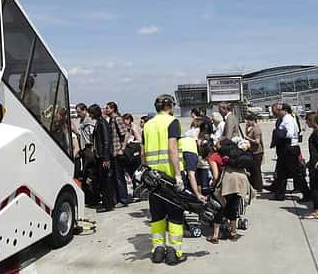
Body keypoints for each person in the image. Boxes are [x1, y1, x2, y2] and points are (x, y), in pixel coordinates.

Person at [142, 94, 195, 264]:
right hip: (169, 178)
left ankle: (158, 249)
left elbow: (143, 152)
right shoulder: (172, 122)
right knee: (175, 216)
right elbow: (172, 149)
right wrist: (179, 176)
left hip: (152, 179)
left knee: (156, 215)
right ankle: (174, 251)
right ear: (170, 106)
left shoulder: (147, 125)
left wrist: (145, 173)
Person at [206, 142, 251, 243]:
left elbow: (216, 176)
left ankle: (215, 236)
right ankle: (233, 233)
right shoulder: (235, 154)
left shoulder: (214, 156)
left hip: (228, 180)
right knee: (233, 206)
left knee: (220, 207)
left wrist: (212, 186)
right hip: (241, 180)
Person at [270, 103, 308, 200]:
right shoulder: (284, 119)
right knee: (281, 173)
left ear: (285, 110)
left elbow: (290, 134)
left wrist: (278, 133)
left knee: (296, 173)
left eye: (279, 110)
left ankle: (307, 193)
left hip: (290, 148)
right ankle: (280, 194)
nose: (278, 112)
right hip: (284, 149)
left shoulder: (288, 119)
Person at [105, 101, 131, 206]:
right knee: (114, 176)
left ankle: (123, 199)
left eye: (107, 108)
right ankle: (117, 198)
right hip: (112, 152)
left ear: (113, 109)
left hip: (117, 152)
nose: (106, 110)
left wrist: (122, 148)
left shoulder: (117, 119)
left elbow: (125, 134)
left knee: (119, 177)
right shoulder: (111, 120)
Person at [243, 112, 265, 192]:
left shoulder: (256, 129)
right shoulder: (251, 128)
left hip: (257, 152)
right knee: (252, 170)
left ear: (252, 120)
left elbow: (257, 141)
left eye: (248, 121)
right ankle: (254, 185)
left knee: (256, 170)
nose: (247, 122)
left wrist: (248, 138)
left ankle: (259, 187)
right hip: (252, 151)